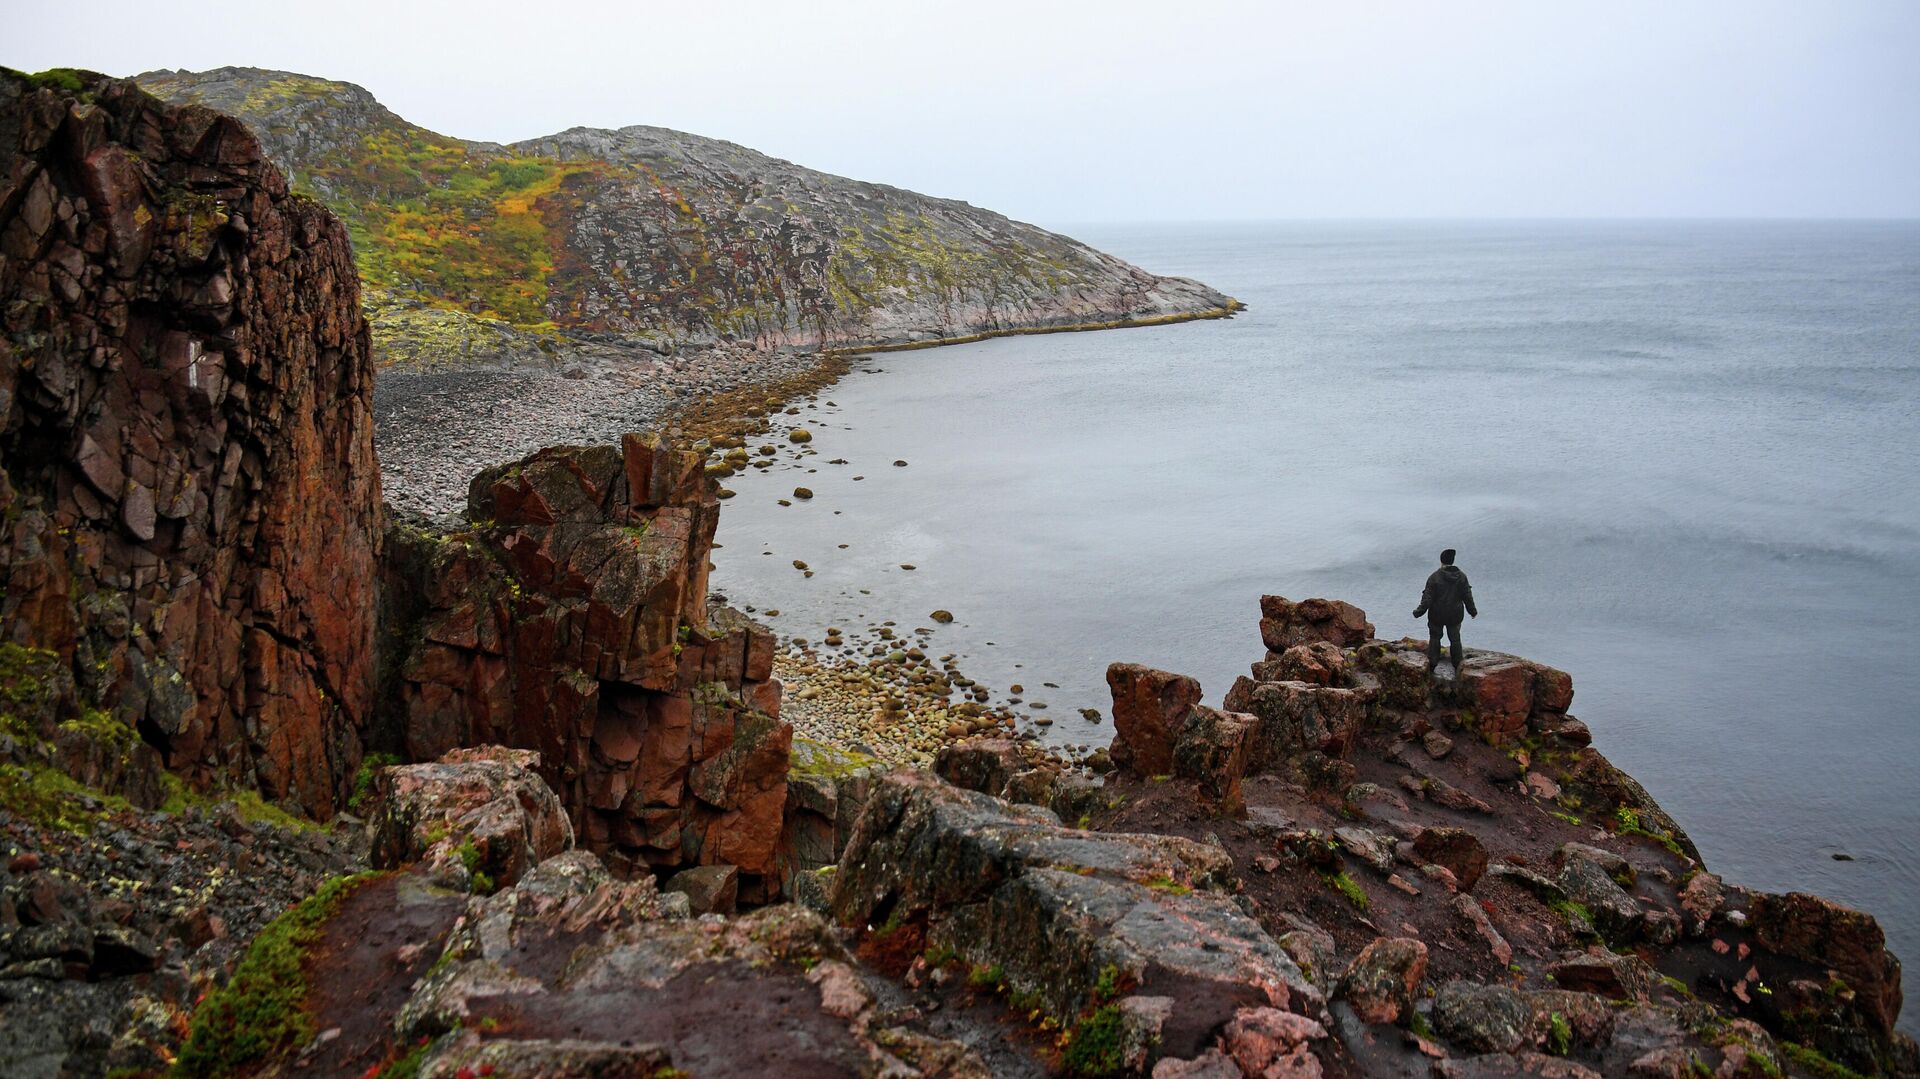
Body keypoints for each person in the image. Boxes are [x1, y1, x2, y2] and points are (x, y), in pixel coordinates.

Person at [1413, 548, 1476, 671]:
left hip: (1437, 615)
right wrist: (1472, 611)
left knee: (1435, 637)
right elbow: (1467, 596)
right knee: (1455, 638)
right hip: (1455, 615)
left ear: (1441, 561)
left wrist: (1418, 612)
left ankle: (1432, 664)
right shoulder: (1462, 577)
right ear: (1452, 561)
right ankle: (1458, 664)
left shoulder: (1434, 577)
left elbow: (1427, 599)